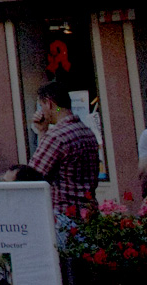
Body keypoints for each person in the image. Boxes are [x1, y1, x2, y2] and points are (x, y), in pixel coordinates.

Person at [25, 82, 100, 221]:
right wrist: (42, 130)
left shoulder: (56, 136)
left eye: (41, 106)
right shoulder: (87, 132)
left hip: (64, 216)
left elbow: (33, 175)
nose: (41, 110)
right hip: (88, 213)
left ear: (49, 104)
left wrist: (43, 133)